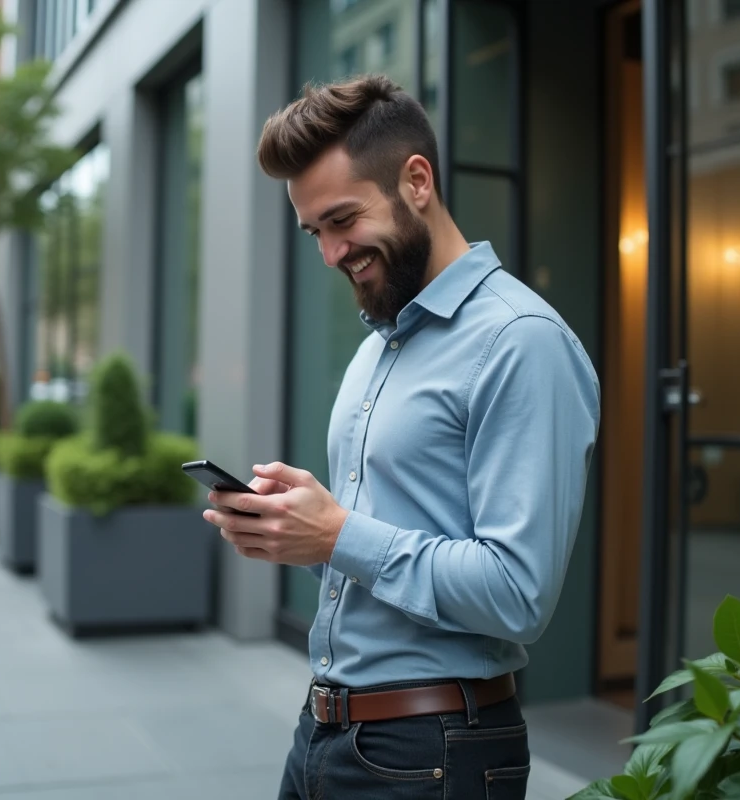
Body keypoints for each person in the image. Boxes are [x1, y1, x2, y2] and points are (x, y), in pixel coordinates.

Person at [204, 75, 600, 798]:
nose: (330, 253)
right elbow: (382, 555)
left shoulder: (521, 342)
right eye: (315, 231)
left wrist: (338, 537)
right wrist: (299, 534)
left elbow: (518, 594)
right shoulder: (379, 345)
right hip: (326, 731)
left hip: (434, 750)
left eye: (343, 219)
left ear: (416, 180)